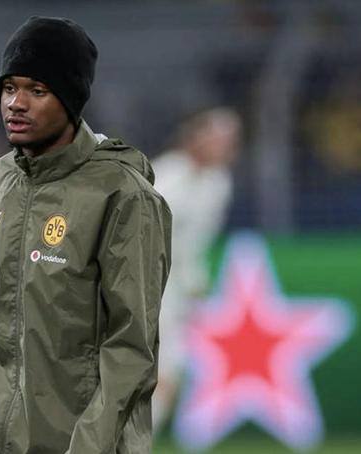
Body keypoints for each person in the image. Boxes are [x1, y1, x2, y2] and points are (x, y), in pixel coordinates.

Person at [0, 16, 171, 454]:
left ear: (71, 100)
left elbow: (132, 346)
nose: (16, 103)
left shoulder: (123, 194)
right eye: (9, 88)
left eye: (37, 90)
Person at [150, 107, 241, 434]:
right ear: (194, 137)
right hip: (145, 283)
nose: (222, 146)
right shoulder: (166, 175)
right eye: (216, 137)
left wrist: (194, 282)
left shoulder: (218, 184)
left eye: (229, 140)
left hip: (176, 292)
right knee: (152, 373)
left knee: (167, 375)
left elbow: (198, 243)